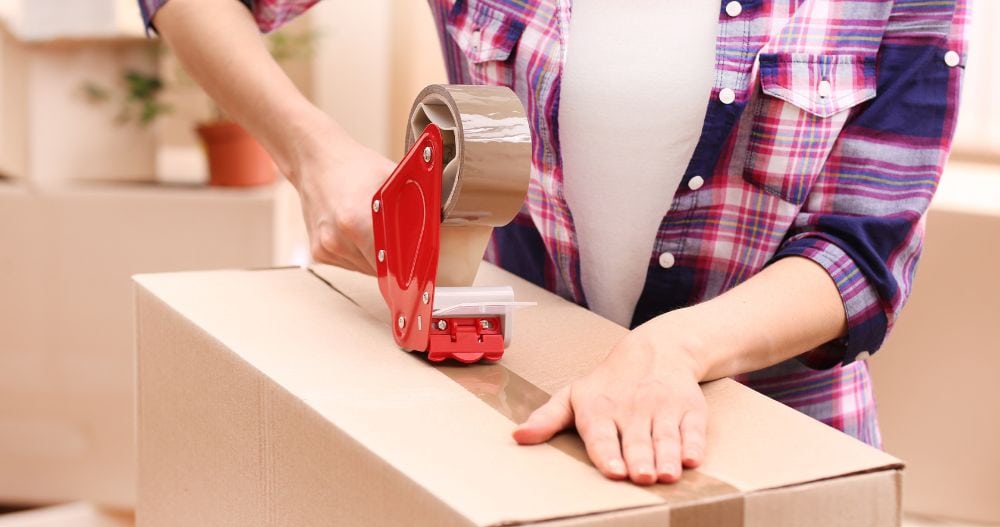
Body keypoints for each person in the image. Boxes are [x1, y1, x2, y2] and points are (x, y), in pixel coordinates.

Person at [140, 0, 969, 486]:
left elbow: (862, 253)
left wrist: (670, 350)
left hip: (781, 446)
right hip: (517, 426)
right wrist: (313, 154)